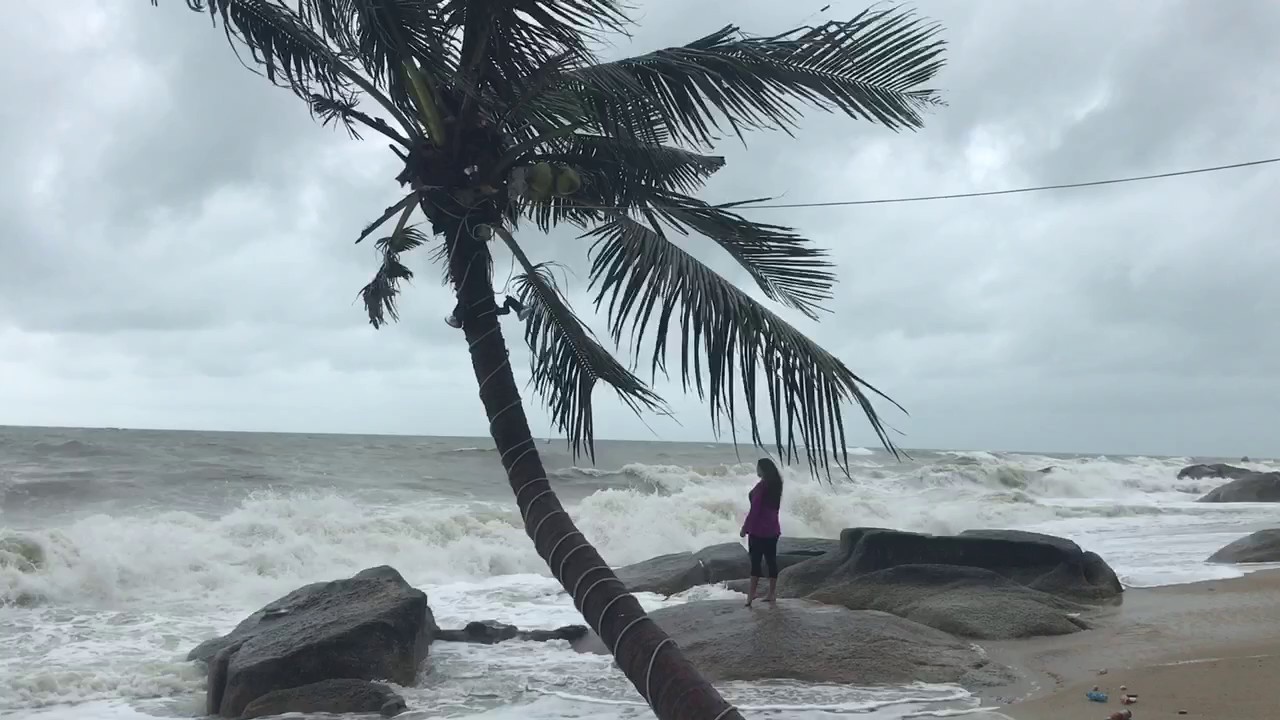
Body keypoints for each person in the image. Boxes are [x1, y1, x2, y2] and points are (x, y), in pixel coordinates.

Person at [740, 457, 783, 608]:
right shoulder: (777, 485)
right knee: (771, 561)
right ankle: (771, 593)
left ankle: (750, 595)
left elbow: (755, 510)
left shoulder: (762, 487)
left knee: (755, 562)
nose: (756, 470)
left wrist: (745, 527)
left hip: (758, 530)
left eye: (758, 468)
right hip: (773, 529)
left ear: (763, 470)